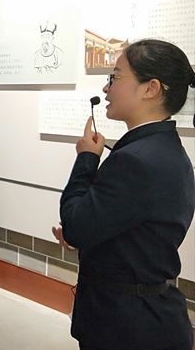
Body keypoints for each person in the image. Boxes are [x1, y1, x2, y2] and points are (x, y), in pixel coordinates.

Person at [56, 39, 195, 349]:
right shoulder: (163, 149)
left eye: (115, 77)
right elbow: (134, 230)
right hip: (144, 315)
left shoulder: (137, 160)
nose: (106, 88)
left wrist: (87, 158)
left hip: (127, 325)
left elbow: (76, 226)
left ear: (150, 88)